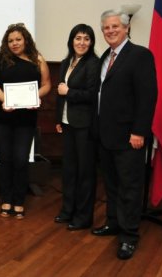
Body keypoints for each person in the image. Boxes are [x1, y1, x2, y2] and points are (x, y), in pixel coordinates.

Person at [92, 10, 157, 260]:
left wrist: (139, 131)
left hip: (130, 137)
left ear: (127, 28)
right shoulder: (104, 58)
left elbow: (147, 97)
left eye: (115, 26)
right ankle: (113, 223)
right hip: (106, 135)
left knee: (130, 187)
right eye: (106, 27)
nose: (110, 31)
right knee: (111, 185)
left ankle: (129, 236)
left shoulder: (140, 55)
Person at [0, 23, 51, 219]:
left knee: (21, 160)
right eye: (10, 40)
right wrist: (4, 99)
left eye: (18, 39)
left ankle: (19, 200)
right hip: (1, 118)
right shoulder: (0, 60)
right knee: (5, 159)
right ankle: (6, 199)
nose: (14, 43)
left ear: (26, 40)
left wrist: (36, 97)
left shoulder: (37, 59)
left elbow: (47, 85)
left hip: (26, 119)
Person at [55, 24, 100, 230]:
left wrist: (69, 92)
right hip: (67, 123)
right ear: (71, 40)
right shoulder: (66, 62)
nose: (82, 42)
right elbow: (59, 94)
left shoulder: (93, 63)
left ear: (91, 42)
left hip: (85, 126)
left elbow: (92, 94)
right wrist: (57, 119)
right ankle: (67, 211)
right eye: (78, 38)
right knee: (69, 170)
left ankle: (83, 217)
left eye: (86, 39)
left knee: (85, 172)